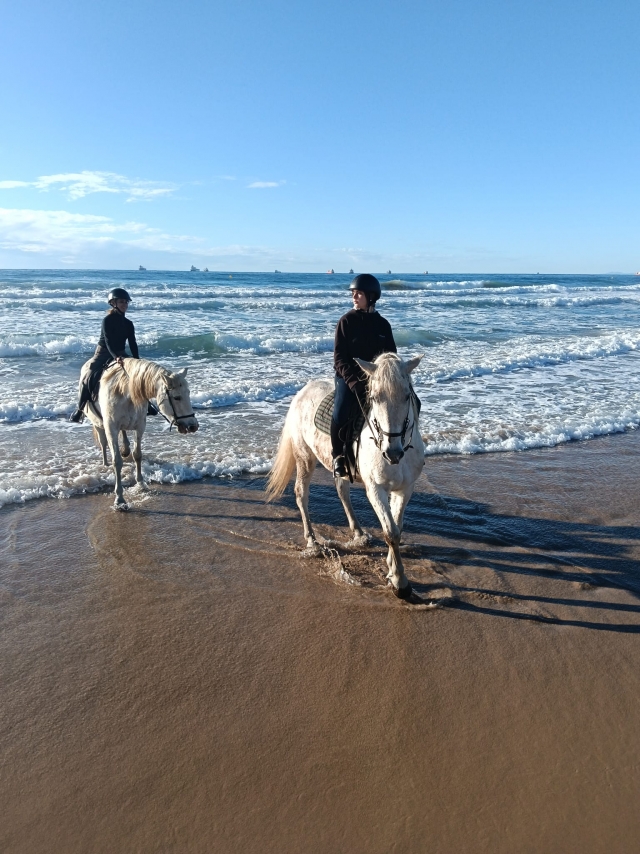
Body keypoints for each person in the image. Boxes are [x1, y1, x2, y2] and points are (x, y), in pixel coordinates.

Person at [331, 273, 397, 478]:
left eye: (358, 293)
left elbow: (391, 356)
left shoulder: (383, 325)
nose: (354, 297)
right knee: (341, 411)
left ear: (371, 297)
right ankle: (338, 456)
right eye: (353, 293)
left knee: (408, 403)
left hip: (377, 380)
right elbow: (339, 359)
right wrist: (352, 382)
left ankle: (405, 443)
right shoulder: (346, 322)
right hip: (348, 378)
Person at [69, 288, 140, 422]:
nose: (124, 304)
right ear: (113, 303)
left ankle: (146, 406)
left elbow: (133, 343)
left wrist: (137, 360)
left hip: (121, 352)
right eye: (121, 302)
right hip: (103, 352)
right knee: (88, 376)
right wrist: (115, 357)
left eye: (126, 302)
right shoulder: (107, 320)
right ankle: (80, 410)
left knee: (137, 374)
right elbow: (108, 341)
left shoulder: (129, 323)